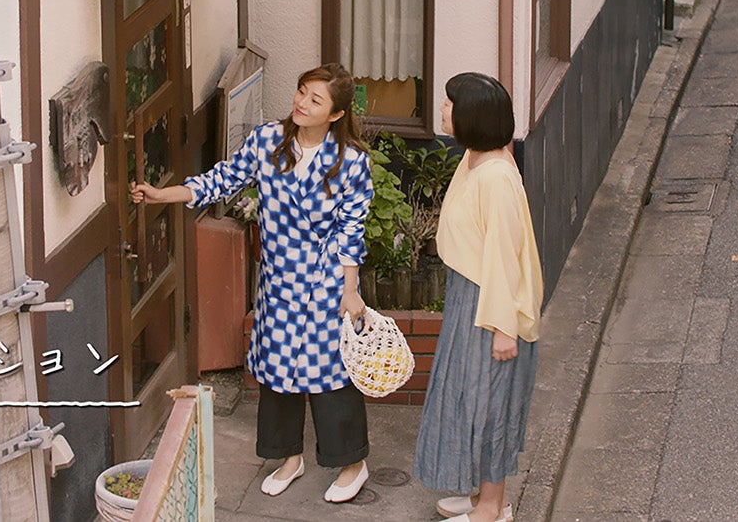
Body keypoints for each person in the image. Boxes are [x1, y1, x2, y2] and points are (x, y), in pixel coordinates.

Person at [130, 63, 375, 504]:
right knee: (279, 374)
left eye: (315, 100)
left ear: (336, 115)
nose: (301, 102)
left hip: (325, 281)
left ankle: (352, 463)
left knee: (331, 375)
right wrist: (166, 194)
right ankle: (288, 458)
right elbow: (223, 179)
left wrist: (350, 289)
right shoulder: (267, 141)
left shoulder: (352, 162)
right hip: (279, 280)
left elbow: (350, 229)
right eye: (301, 92)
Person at [415, 73, 544, 522]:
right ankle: (482, 499)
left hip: (491, 303)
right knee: (470, 398)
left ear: (472, 115)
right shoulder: (473, 157)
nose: (443, 110)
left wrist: (504, 328)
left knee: (490, 404)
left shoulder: (496, 179)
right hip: (469, 293)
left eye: (450, 104)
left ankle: (492, 509)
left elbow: (506, 257)